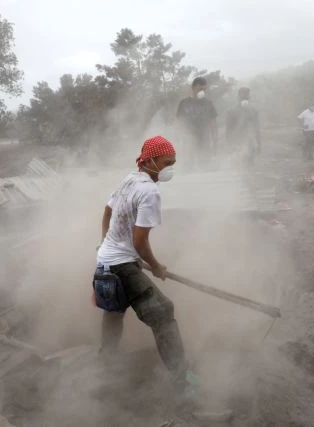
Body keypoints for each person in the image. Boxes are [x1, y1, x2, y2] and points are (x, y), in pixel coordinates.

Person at [94, 136, 194, 394]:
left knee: (114, 312)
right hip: (121, 266)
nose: (170, 167)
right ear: (149, 160)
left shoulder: (129, 179)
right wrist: (157, 266)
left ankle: (106, 365)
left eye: (173, 162)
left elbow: (107, 212)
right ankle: (182, 381)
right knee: (163, 312)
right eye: (167, 162)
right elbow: (140, 242)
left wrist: (104, 243)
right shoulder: (150, 192)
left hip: (104, 263)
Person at [176, 77, 218, 165]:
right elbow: (180, 122)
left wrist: (215, 140)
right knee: (188, 165)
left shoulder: (208, 103)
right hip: (188, 140)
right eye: (200, 89)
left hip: (204, 139)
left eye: (204, 89)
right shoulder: (184, 103)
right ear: (193, 88)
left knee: (204, 164)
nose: (202, 91)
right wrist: (179, 138)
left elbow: (213, 123)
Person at [226, 87, 261, 167]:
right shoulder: (232, 111)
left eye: (246, 96)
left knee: (249, 164)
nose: (244, 98)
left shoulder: (254, 111)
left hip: (250, 142)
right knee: (237, 165)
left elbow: (257, 128)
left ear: (249, 97)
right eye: (242, 97)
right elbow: (228, 130)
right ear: (238, 97)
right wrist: (229, 145)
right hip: (236, 142)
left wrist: (259, 144)